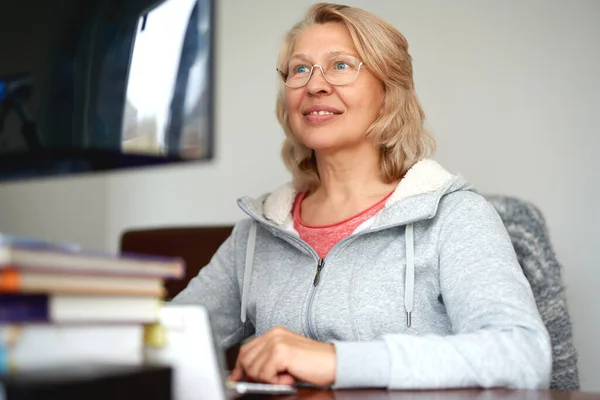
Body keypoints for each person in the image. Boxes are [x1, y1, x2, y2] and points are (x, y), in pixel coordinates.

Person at [172, 2, 552, 390]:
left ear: (388, 90)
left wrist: (338, 361)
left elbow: (521, 353)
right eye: (299, 69)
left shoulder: (456, 217)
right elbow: (166, 337)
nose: (314, 85)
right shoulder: (256, 235)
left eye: (340, 65)